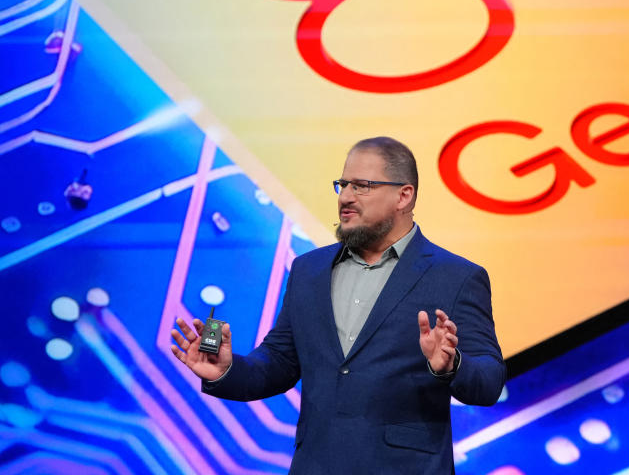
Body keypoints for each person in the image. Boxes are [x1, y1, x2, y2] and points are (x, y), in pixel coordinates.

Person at [170, 137, 505, 474]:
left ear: (404, 196)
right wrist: (227, 370)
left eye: (362, 186)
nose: (345, 197)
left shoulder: (456, 277)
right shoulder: (308, 270)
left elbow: (489, 381)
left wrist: (452, 365)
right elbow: (280, 361)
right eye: (343, 185)